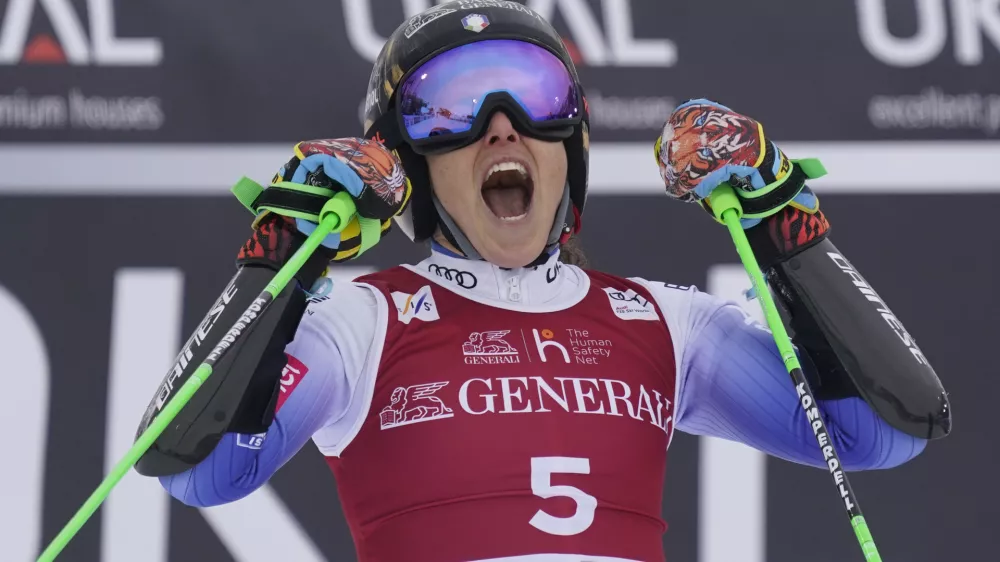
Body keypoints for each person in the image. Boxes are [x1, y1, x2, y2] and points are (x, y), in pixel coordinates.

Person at [134, 3, 950, 561]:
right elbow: (196, 470)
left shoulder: (666, 324)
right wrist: (278, 260)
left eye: (534, 96)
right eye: (448, 109)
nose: (500, 124)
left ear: (573, 147)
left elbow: (887, 432)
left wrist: (783, 222)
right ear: (407, 164)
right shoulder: (362, 322)